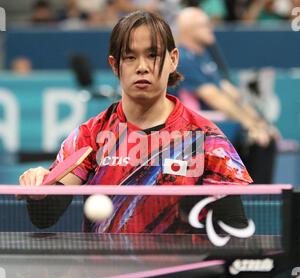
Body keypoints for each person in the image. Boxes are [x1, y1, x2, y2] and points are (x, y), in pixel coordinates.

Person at [20, 11, 252, 234]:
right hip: (108, 272)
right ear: (115, 65)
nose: (142, 66)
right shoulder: (91, 135)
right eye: (130, 57)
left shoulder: (206, 139)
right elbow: (44, 218)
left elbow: (234, 227)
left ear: (173, 60)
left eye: (153, 55)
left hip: (180, 273)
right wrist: (39, 192)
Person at [175, 7, 280, 184]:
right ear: (188, 30)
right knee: (259, 143)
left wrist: (261, 123)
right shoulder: (183, 59)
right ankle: (251, 199)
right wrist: (250, 126)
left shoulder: (204, 57)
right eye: (204, 25)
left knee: (266, 139)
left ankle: (256, 199)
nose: (210, 28)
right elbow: (215, 98)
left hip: (219, 127)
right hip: (195, 131)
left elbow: (232, 96)